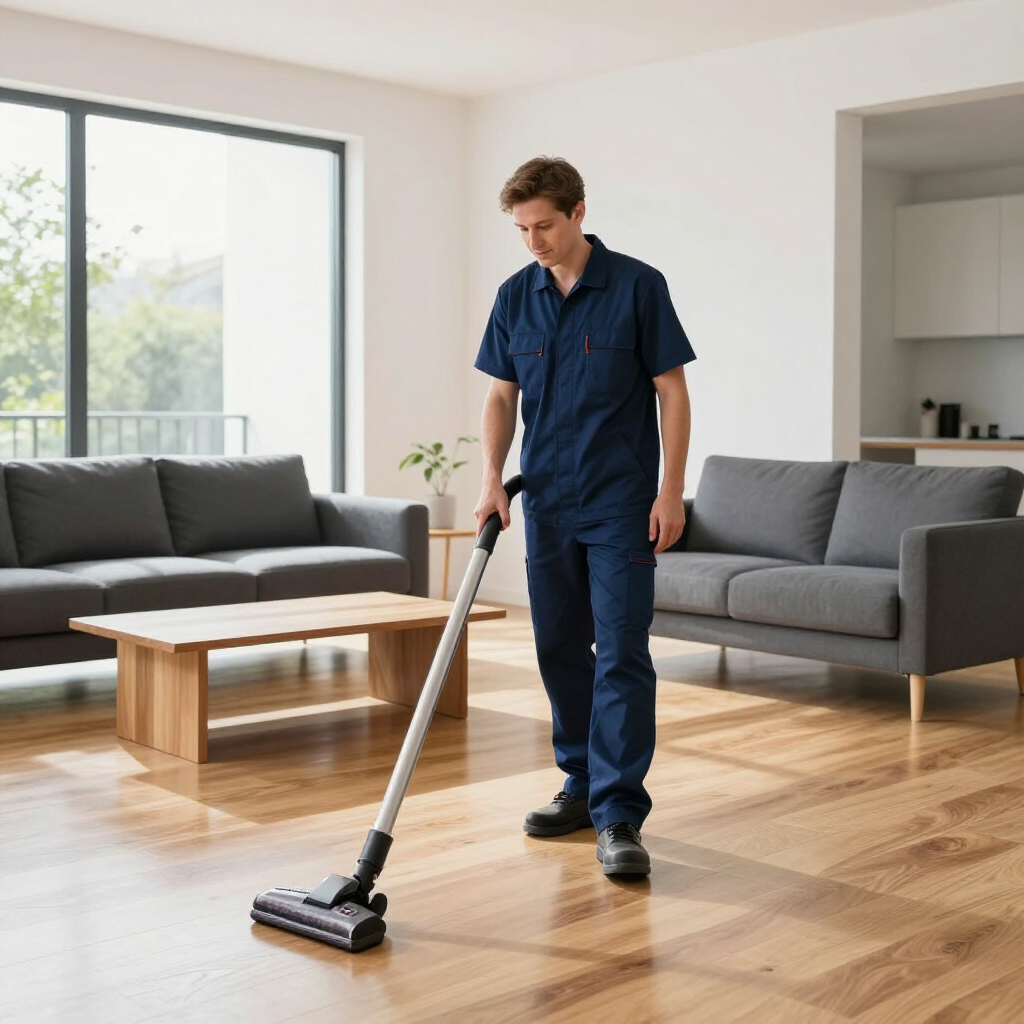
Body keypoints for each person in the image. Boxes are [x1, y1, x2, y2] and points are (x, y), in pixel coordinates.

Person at [473, 156, 695, 878]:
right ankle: (580, 783)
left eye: (544, 225)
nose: (533, 240)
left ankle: (620, 813)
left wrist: (671, 490)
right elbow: (502, 397)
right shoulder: (515, 297)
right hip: (549, 502)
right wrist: (490, 482)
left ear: (578, 213)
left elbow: (672, 392)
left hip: (622, 500)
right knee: (558, 647)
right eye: (521, 229)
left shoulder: (637, 286)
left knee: (622, 651)